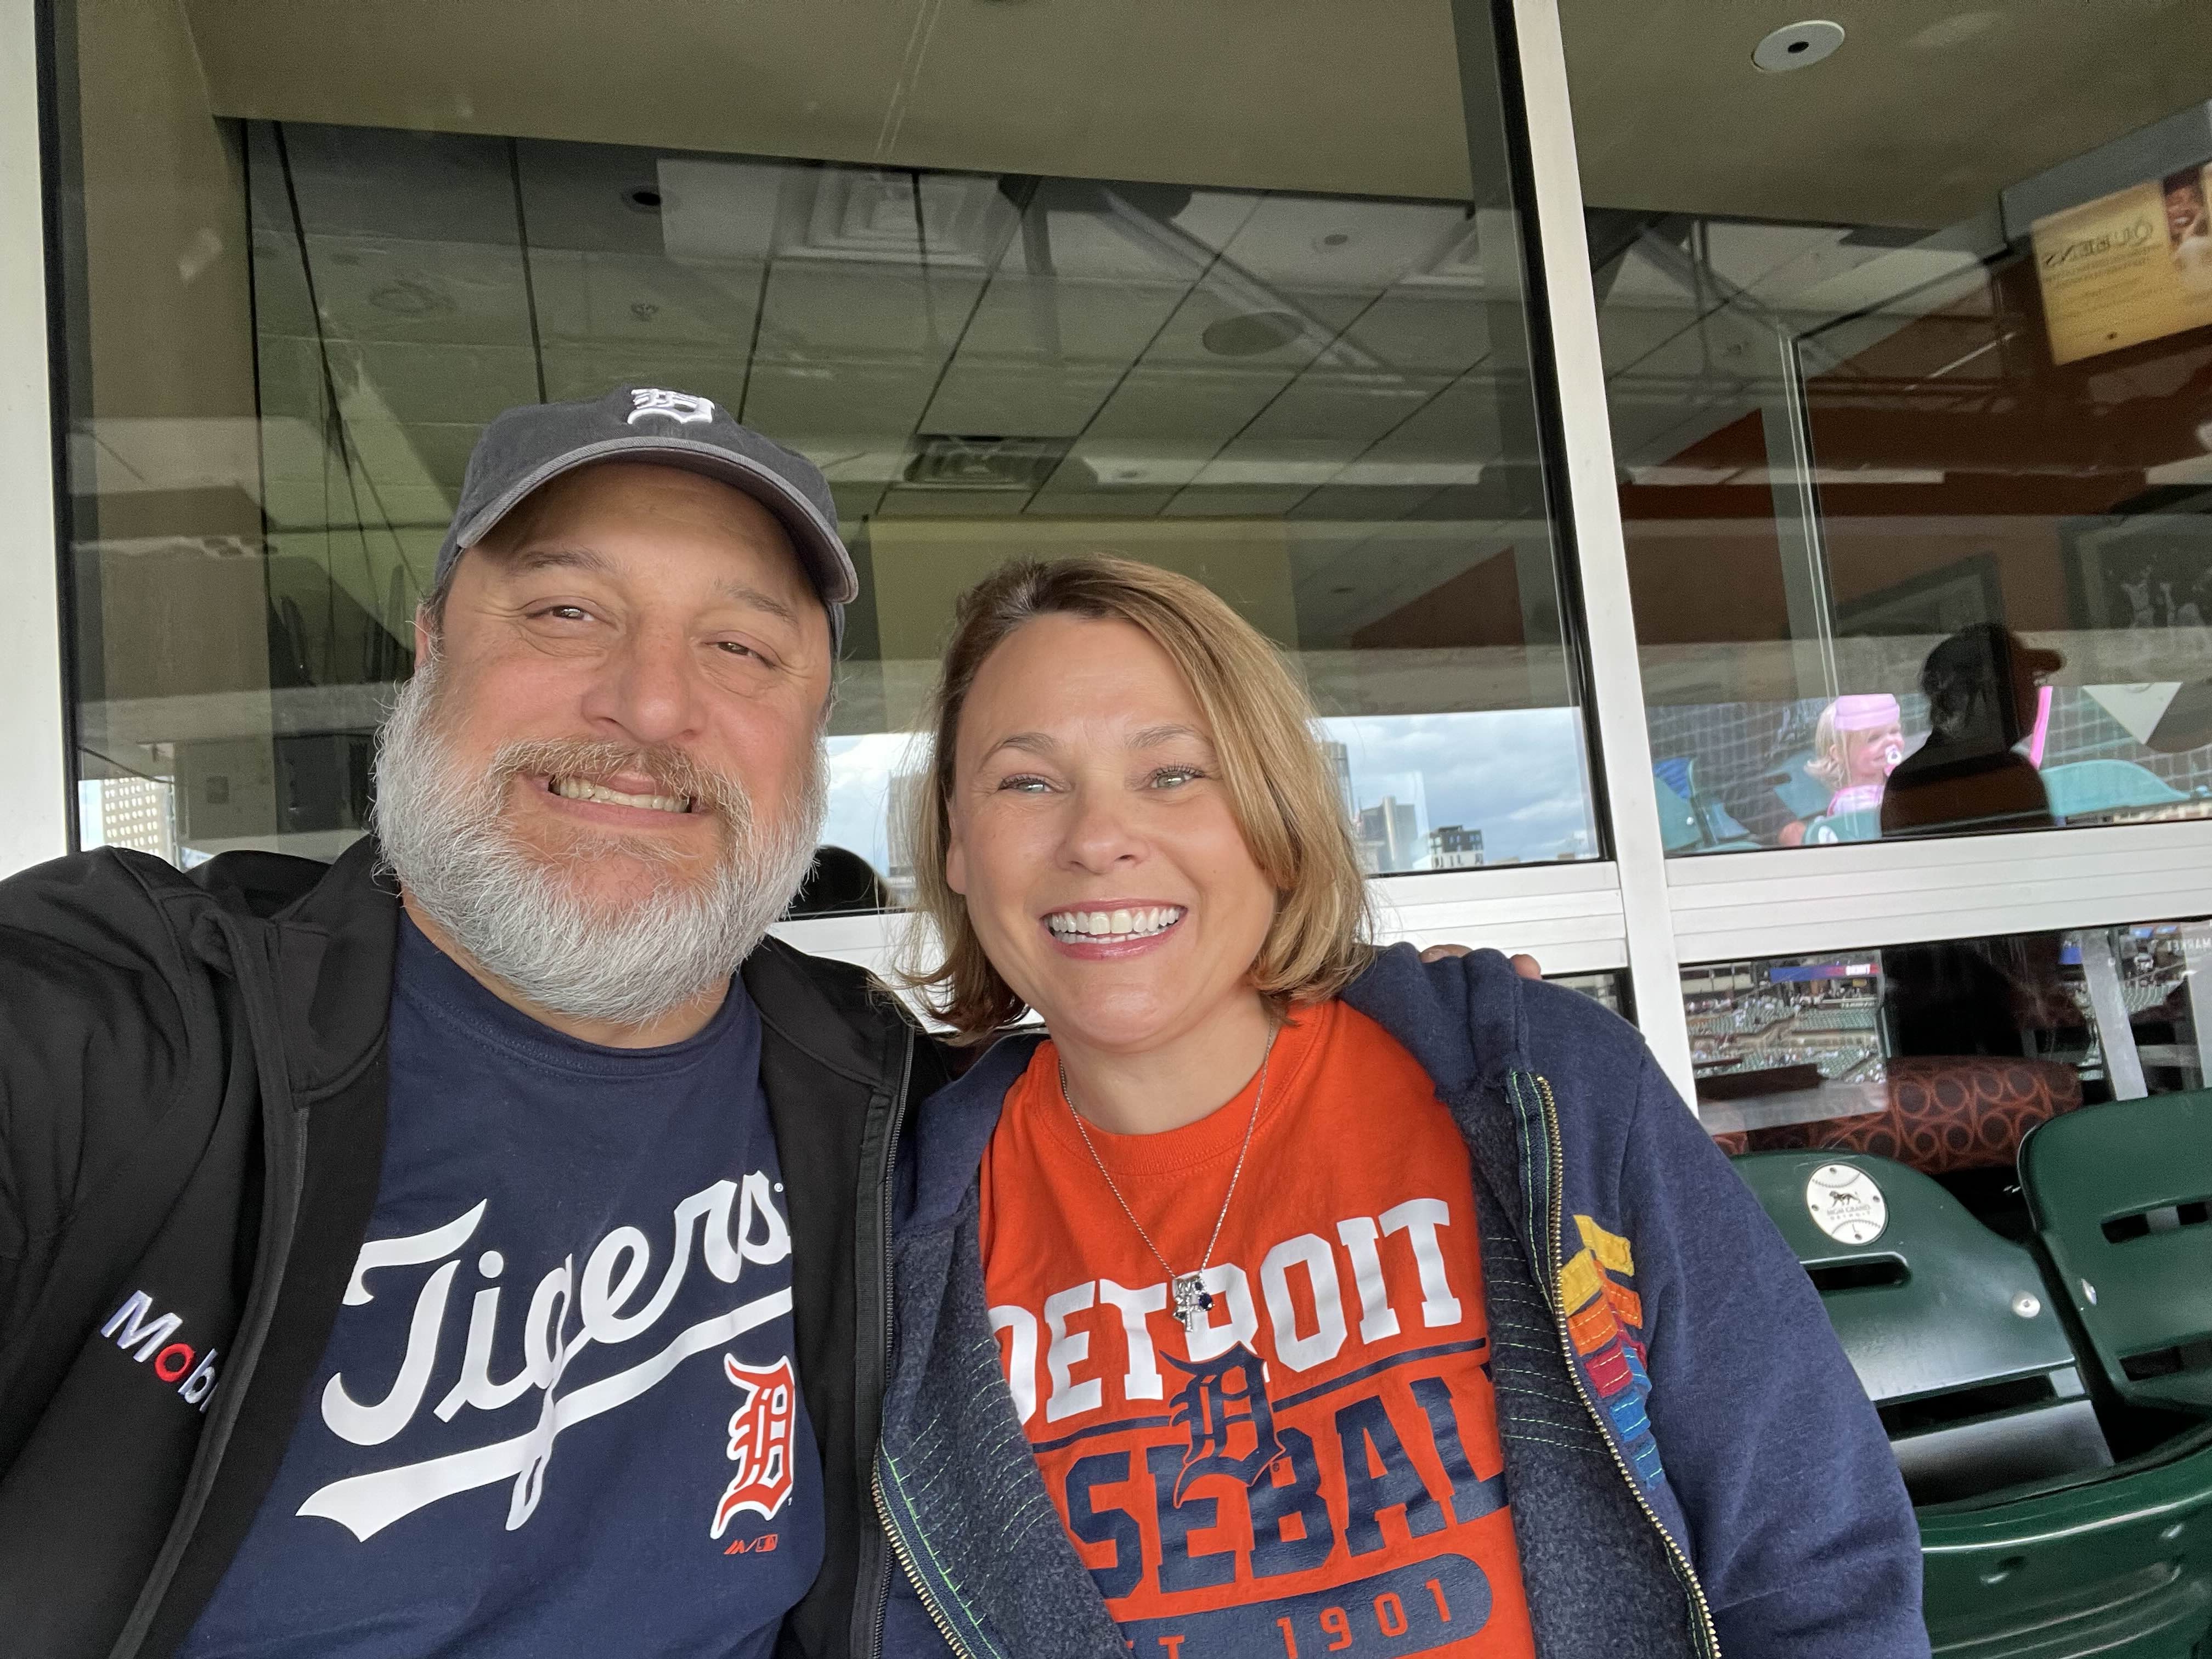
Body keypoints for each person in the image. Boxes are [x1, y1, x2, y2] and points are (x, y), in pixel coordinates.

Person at [0, 387, 958, 1658]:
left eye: (740, 648)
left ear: (811, 722)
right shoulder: (137, 1028)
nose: (652, 707)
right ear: (432, 649)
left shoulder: (881, 1094)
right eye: (567, 612)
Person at [874, 556, 1926, 1658]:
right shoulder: (901, 1230)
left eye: (1174, 774)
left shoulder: (1543, 1096)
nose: (1096, 838)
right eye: (1027, 783)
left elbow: (1817, 1572)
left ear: (1274, 811)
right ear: (955, 840)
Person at [1881, 623, 2062, 839]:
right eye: (2023, 680)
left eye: (2034, 681)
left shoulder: (1908, 780)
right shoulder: (2012, 776)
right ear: (1980, 694)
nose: (2033, 693)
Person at [1805, 692, 1904, 817]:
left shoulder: (1894, 774)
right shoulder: (1851, 803)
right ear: (1840, 754)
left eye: (1894, 731)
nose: (1890, 741)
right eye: (1873, 738)